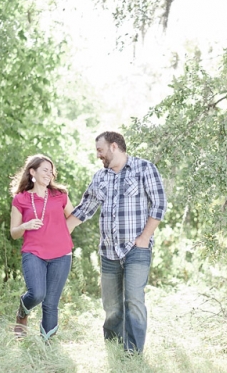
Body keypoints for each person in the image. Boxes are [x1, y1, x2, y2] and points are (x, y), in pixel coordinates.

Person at [67, 131, 167, 353]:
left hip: (136, 249)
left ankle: (133, 353)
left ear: (113, 147)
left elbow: (159, 205)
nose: (98, 156)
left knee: (134, 301)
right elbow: (85, 208)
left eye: (100, 150)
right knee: (111, 306)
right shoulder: (100, 177)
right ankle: (113, 349)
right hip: (108, 251)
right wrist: (61, 231)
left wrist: (144, 238)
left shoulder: (144, 168)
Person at [9, 154, 74, 340]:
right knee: (37, 294)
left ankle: (47, 347)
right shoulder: (20, 199)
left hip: (61, 254)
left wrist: (62, 233)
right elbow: (14, 233)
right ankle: (23, 310)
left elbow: (74, 217)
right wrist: (25, 226)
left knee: (51, 304)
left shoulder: (60, 195)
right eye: (45, 169)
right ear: (32, 172)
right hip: (34, 253)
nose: (50, 173)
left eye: (51, 170)